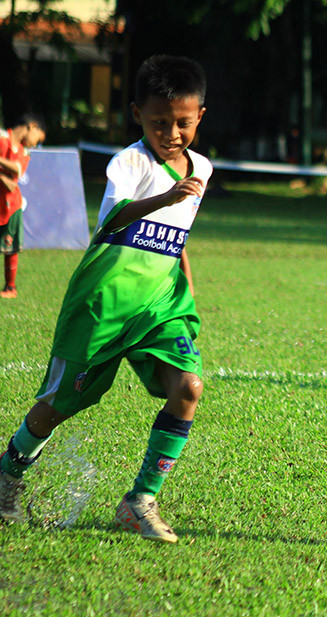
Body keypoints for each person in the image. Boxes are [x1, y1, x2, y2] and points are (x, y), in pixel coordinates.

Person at [0, 55, 212, 543]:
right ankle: (8, 471)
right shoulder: (129, 162)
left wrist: (186, 275)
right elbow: (112, 221)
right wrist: (165, 197)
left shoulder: (202, 167)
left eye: (183, 122)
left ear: (200, 115)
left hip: (160, 302)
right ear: (137, 114)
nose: (172, 133)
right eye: (159, 122)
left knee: (189, 387)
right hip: (103, 302)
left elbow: (178, 229)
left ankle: (140, 500)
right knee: (57, 405)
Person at [0, 113, 46, 298]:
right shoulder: (2, 137)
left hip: (11, 205)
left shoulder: (24, 152)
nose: (35, 144)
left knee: (10, 245)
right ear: (32, 126)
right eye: (38, 139)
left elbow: (17, 169)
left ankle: (10, 288)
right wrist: (2, 177)